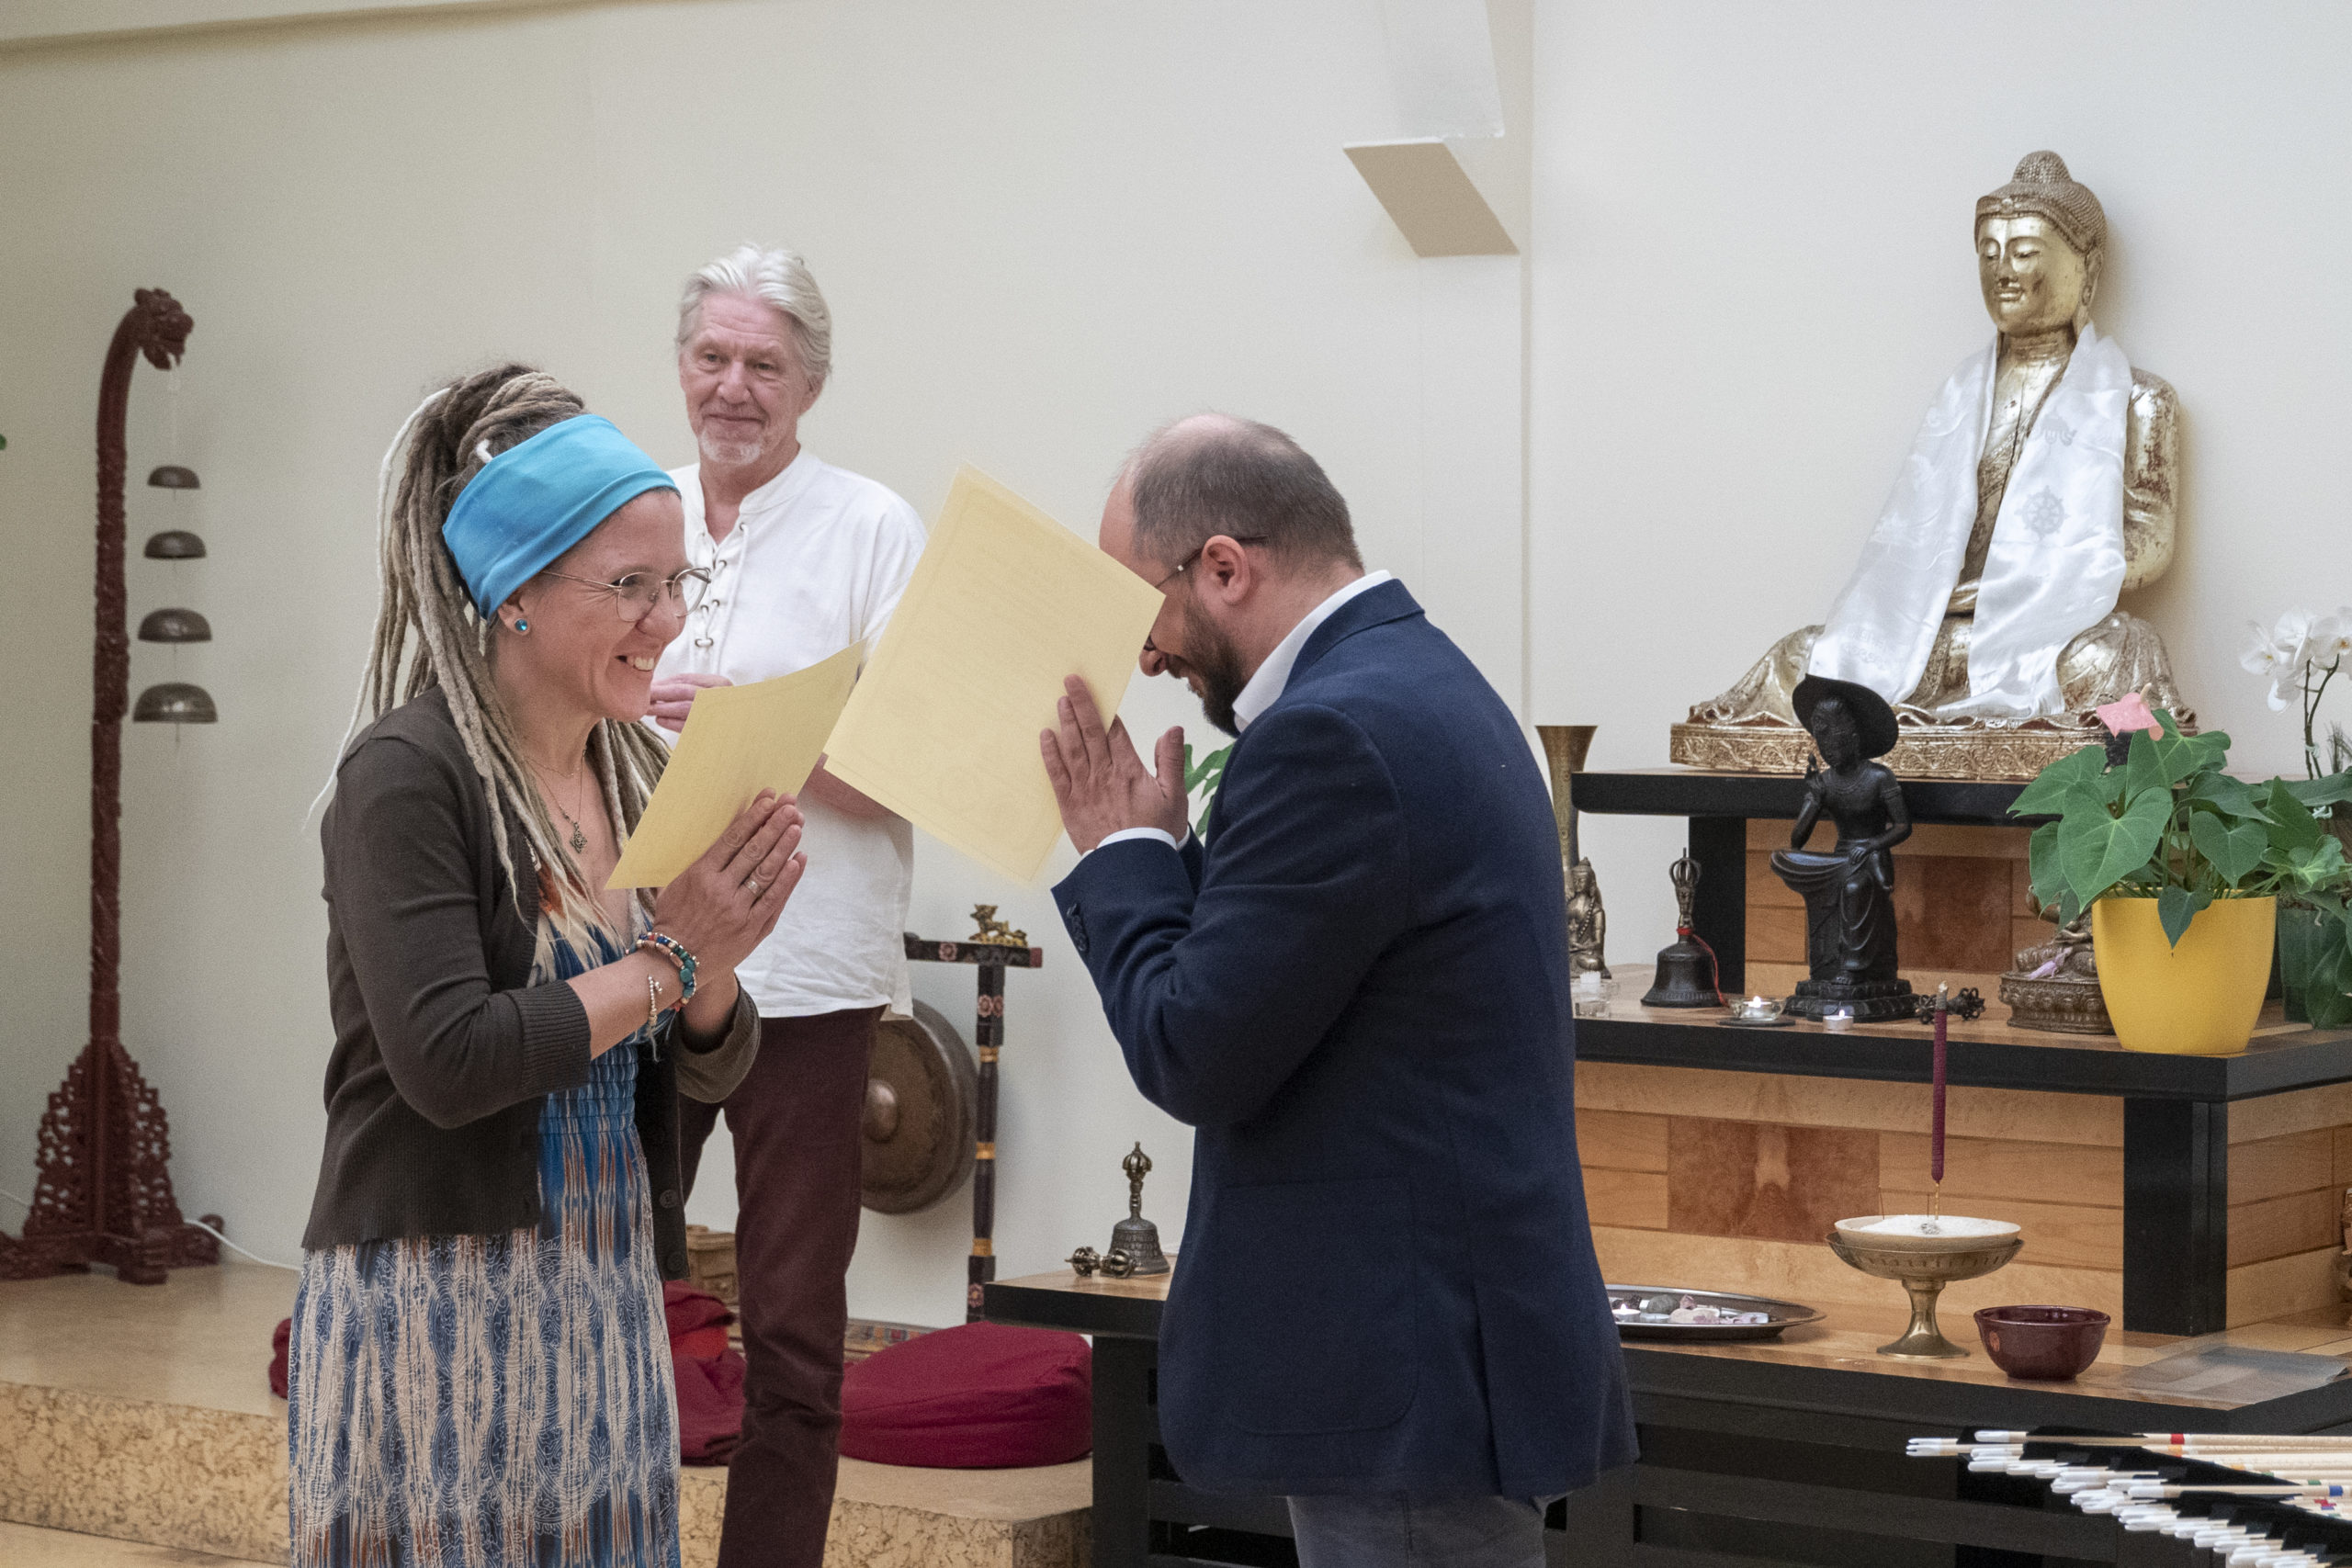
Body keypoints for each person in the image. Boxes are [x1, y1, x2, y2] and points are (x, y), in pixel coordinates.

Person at [1037, 414, 1635, 1568]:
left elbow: (1195, 1049)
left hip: (1401, 1370)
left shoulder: (1332, 734)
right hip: (1429, 1353)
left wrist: (1123, 857)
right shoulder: (1413, 679)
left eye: (1138, 607)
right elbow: (1294, 981)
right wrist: (1169, 859)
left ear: (1223, 566)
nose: (1143, 658)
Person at [288, 365, 807, 1568]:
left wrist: (715, 957)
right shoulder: (407, 775)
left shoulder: (640, 773)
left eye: (677, 582)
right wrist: (675, 954)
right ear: (514, 591)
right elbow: (449, 1060)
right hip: (432, 1309)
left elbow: (704, 1064)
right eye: (628, 585)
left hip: (603, 1301)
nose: (665, 620)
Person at [645, 243, 927, 1568]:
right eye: (712, 356)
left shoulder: (872, 527)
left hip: (807, 978)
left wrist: (753, 735)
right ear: (680, 364)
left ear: (811, 383)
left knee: (796, 1331)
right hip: (635, 964)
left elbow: (917, 761)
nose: (734, 387)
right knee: (602, 1293)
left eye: (764, 364)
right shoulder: (635, 516)